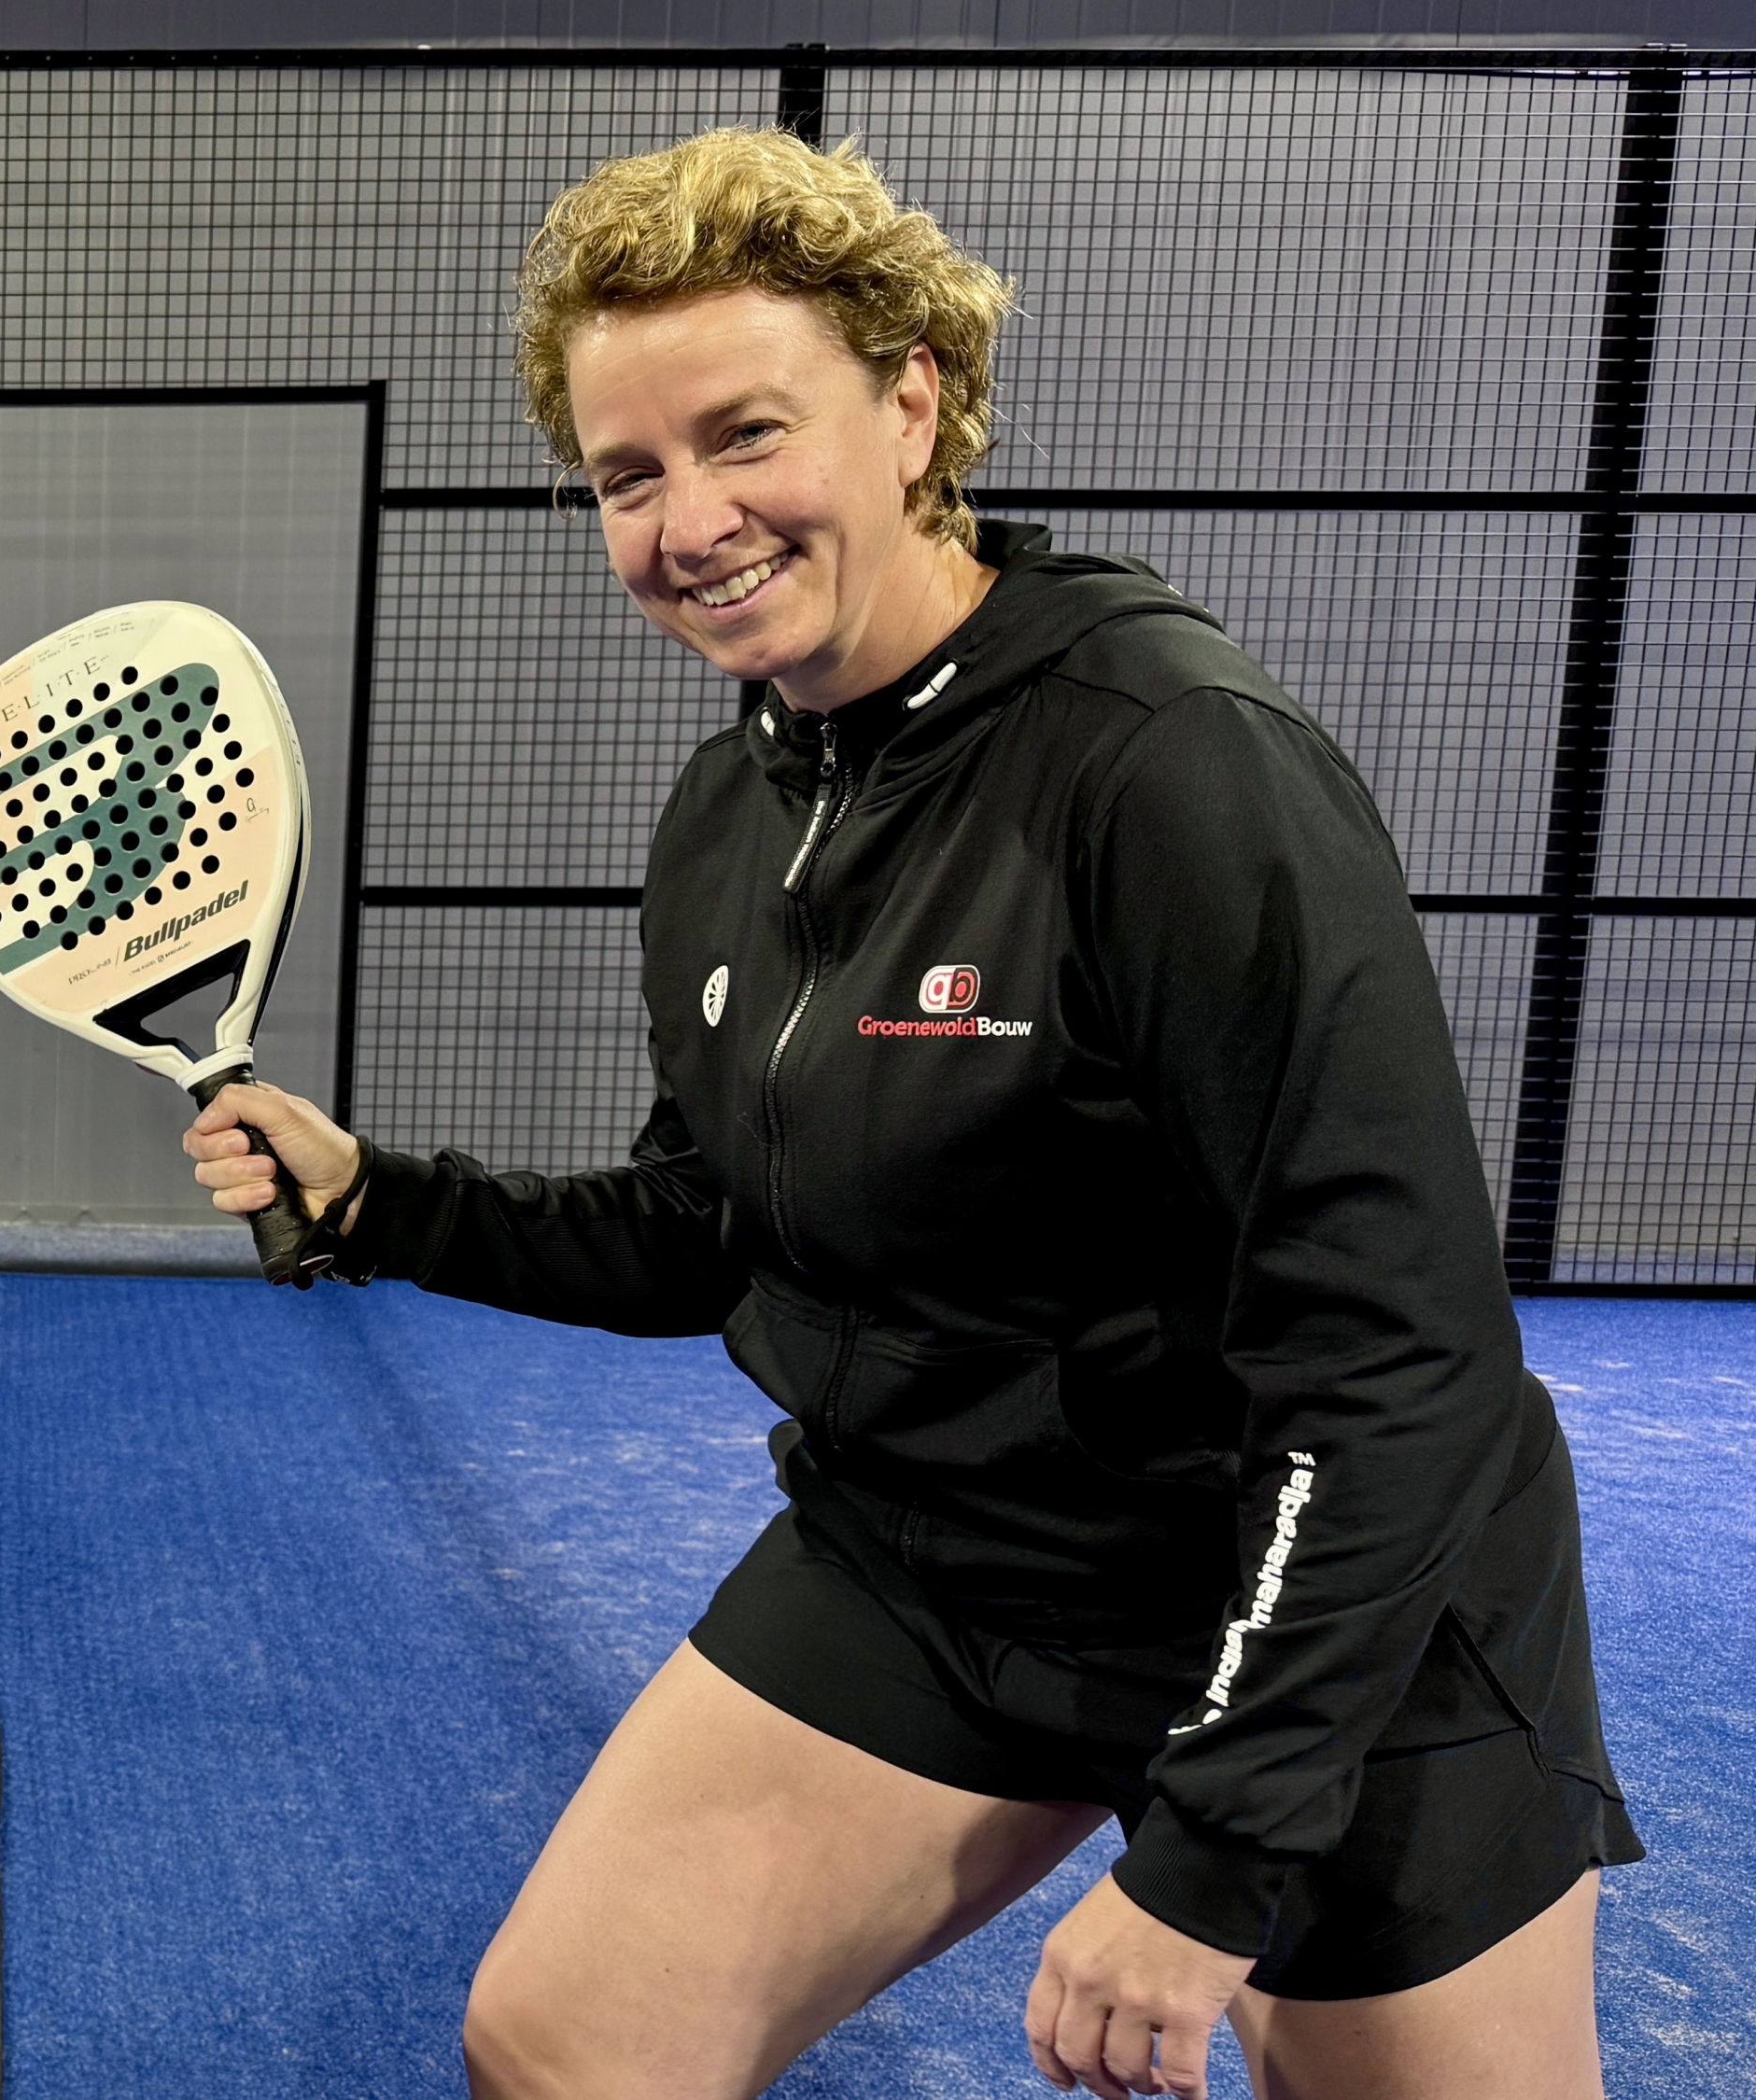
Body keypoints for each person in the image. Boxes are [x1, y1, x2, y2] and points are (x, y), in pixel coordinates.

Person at [187, 129, 1631, 2100]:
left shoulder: (1167, 768)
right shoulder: (738, 803)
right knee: (564, 2041)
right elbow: (710, 1229)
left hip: (1307, 1592)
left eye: (741, 434)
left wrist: (1210, 1858)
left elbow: (1393, 1363)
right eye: (624, 473)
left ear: (907, 400)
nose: (686, 518)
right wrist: (381, 1201)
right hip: (931, 1561)